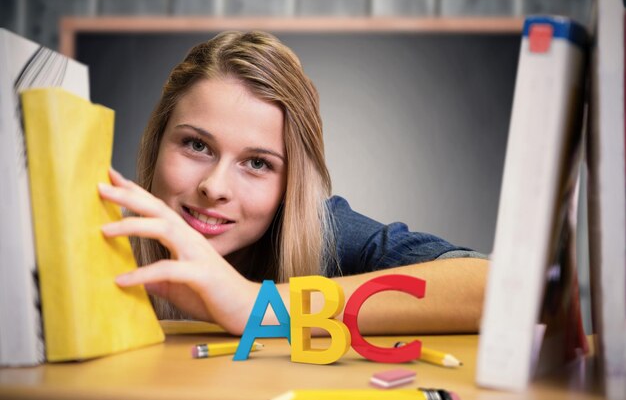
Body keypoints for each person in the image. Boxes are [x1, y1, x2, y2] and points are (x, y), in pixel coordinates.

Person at [98, 30, 489, 336]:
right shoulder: (101, 235)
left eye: (256, 163)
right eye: (197, 145)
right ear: (156, 144)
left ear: (292, 184)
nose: (215, 187)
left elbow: (500, 289)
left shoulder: (324, 234)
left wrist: (253, 305)